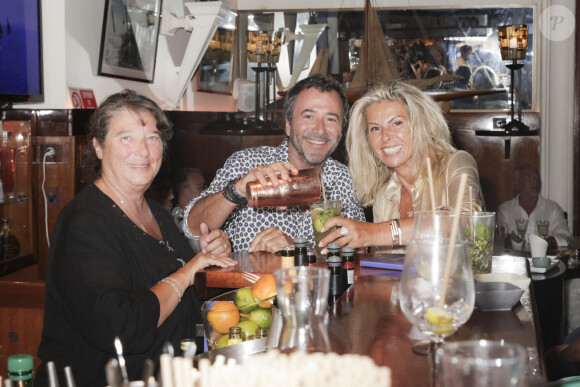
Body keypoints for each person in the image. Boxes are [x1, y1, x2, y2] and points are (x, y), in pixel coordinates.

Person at [36, 90, 237, 387]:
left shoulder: (156, 212)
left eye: (152, 138)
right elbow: (117, 327)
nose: (143, 150)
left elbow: (182, 290)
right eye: (126, 137)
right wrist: (186, 274)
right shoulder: (83, 223)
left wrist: (208, 258)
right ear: (99, 147)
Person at [183, 74, 366, 253]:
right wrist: (237, 190)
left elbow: (358, 252)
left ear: (341, 130)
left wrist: (297, 250)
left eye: (331, 119)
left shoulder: (346, 180)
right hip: (248, 284)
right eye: (308, 116)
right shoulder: (247, 163)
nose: (320, 130)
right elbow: (193, 227)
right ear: (288, 125)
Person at [318, 80, 483, 252]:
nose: (386, 136)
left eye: (397, 123)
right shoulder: (384, 197)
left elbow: (465, 223)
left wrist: (373, 233)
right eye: (375, 129)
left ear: (421, 125)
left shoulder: (456, 163)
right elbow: (385, 270)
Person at [498, 163, 571, 247]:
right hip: (515, 258)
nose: (534, 181)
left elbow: (566, 237)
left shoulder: (553, 209)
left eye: (537, 178)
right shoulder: (505, 209)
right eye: (529, 178)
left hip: (544, 259)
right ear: (517, 183)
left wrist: (552, 240)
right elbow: (499, 237)